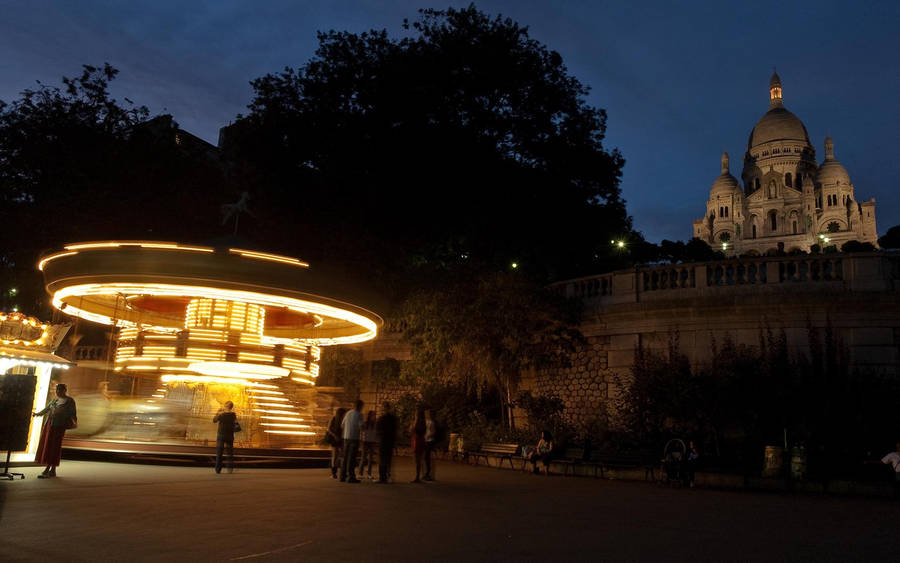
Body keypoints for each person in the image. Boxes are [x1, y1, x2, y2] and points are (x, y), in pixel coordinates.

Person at [32, 383, 77, 479]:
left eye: (60, 390)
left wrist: (63, 416)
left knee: (55, 447)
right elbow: (46, 409)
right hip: (50, 425)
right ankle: (52, 470)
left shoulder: (69, 401)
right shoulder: (54, 400)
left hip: (59, 426)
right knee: (48, 446)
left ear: (64, 390)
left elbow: (72, 413)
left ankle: (49, 469)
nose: (57, 392)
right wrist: (37, 414)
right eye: (57, 390)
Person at [340, 399, 363, 483]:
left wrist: (347, 429)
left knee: (345, 457)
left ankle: (342, 476)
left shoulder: (348, 413)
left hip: (346, 438)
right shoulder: (359, 414)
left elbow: (342, 425)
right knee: (352, 458)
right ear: (360, 406)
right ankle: (351, 477)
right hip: (354, 438)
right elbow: (361, 427)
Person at [212, 401, 238, 474]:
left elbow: (214, 420)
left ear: (225, 406)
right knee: (230, 453)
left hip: (221, 435)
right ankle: (230, 469)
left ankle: (218, 469)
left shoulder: (222, 415)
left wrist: (218, 413)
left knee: (219, 453)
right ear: (231, 407)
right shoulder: (233, 415)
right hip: (230, 436)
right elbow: (235, 424)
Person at [375, 401, 397, 483]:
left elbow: (377, 430)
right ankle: (388, 476)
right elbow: (395, 431)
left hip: (383, 441)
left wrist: (378, 438)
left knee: (382, 460)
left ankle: (382, 477)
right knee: (388, 459)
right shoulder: (393, 419)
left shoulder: (381, 419)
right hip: (389, 441)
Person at [325, 407, 346, 479]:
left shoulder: (334, 418)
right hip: (341, 439)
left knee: (335, 456)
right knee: (341, 456)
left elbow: (328, 429)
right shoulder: (343, 419)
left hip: (335, 439)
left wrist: (334, 436)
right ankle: (342, 472)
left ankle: (334, 473)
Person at [358, 410, 377, 479]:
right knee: (363, 458)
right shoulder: (365, 423)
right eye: (373, 415)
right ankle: (360, 473)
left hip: (371, 441)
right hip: (365, 441)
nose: (374, 417)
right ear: (369, 416)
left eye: (375, 415)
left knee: (370, 458)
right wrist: (361, 440)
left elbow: (375, 433)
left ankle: (369, 473)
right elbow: (361, 431)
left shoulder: (375, 424)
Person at [410, 408, 427, 482]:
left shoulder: (417, 423)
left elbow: (411, 430)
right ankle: (420, 475)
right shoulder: (423, 422)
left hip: (417, 441)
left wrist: (413, 423)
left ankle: (417, 477)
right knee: (419, 459)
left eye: (416, 414)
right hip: (420, 440)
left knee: (417, 459)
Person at [423, 409, 437, 481]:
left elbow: (433, 432)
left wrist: (427, 436)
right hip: (426, 440)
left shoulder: (431, 422)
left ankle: (428, 473)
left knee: (427, 457)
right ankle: (427, 473)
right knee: (426, 457)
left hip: (429, 440)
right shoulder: (426, 422)